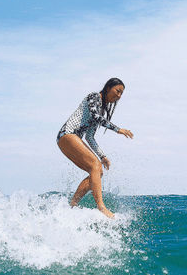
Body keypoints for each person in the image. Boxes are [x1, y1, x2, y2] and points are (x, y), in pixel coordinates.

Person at [56, 78, 134, 218]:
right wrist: (118, 129)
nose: (119, 96)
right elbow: (95, 116)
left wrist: (102, 156)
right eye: (117, 91)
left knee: (97, 171)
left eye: (121, 94)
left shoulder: (101, 111)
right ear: (108, 88)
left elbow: (90, 137)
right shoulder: (94, 97)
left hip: (71, 139)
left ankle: (72, 206)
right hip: (67, 134)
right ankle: (101, 207)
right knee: (94, 165)